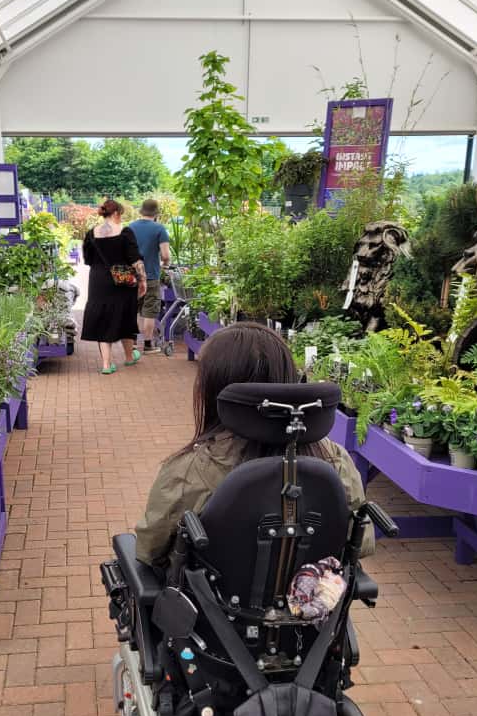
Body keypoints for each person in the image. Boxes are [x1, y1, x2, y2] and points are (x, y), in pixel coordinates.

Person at [135, 322, 375, 567]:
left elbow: (149, 549)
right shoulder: (333, 458)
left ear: (213, 389)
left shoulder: (190, 469)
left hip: (213, 590)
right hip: (313, 588)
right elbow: (363, 542)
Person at [81, 199, 147, 374]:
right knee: (126, 315)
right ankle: (129, 357)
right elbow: (135, 259)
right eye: (121, 214)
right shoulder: (125, 232)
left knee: (103, 318)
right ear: (116, 213)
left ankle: (106, 364)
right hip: (123, 281)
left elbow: (88, 259)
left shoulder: (91, 234)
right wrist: (143, 280)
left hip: (98, 281)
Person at [129, 199, 171, 354]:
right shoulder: (159, 229)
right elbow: (165, 255)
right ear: (156, 213)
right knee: (149, 312)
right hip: (151, 276)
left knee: (134, 310)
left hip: (132, 276)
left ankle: (133, 343)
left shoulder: (130, 227)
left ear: (141, 211)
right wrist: (165, 263)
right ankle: (148, 345)